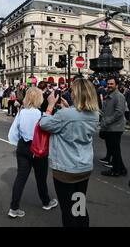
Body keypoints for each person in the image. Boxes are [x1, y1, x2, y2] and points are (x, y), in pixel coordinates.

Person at [40, 78, 100, 227]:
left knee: (67, 211)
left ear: (77, 93)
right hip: (84, 168)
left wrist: (51, 105)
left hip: (65, 170)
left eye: (72, 90)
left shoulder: (66, 115)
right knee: (79, 207)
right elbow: (76, 116)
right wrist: (68, 107)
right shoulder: (94, 114)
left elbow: (44, 124)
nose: (69, 93)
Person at [7, 87, 58, 219]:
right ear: (39, 99)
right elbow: (49, 130)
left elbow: (14, 132)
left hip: (23, 147)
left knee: (21, 178)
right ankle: (46, 202)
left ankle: (14, 207)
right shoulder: (41, 114)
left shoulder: (21, 112)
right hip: (38, 148)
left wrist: (17, 142)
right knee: (41, 178)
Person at [99, 77, 128, 177]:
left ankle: (115, 171)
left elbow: (119, 113)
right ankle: (122, 169)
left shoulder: (119, 96)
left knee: (115, 150)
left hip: (115, 128)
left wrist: (106, 121)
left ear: (116, 85)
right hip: (110, 127)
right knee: (114, 150)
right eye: (108, 84)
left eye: (111, 84)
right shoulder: (110, 95)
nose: (109, 85)